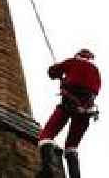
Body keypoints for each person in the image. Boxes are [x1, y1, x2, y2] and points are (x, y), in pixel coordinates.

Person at [38, 49, 101, 178]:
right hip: (86, 111)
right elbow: (94, 89)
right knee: (72, 146)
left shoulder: (72, 62)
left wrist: (60, 73)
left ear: (78, 55)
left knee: (46, 135)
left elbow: (52, 72)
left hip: (68, 105)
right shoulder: (96, 72)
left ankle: (48, 169)